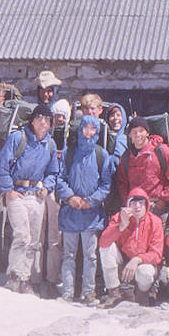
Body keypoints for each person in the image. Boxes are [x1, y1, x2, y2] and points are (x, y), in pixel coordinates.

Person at [0, 104, 59, 294]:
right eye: (39, 118)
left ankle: (24, 278)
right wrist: (8, 190)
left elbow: (53, 171)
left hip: (35, 194)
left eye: (47, 119)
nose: (43, 122)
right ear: (32, 119)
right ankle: (13, 276)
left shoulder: (50, 144)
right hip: (17, 192)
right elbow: (0, 166)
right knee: (22, 235)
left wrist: (47, 187)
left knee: (34, 241)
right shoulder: (18, 138)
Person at [55, 116, 114, 304]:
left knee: (90, 255)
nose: (88, 132)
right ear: (79, 130)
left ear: (96, 132)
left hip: (91, 213)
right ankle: (67, 291)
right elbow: (60, 178)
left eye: (92, 129)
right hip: (71, 212)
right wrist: (70, 197)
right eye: (85, 128)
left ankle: (89, 292)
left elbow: (105, 184)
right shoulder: (68, 152)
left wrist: (92, 201)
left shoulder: (101, 155)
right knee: (69, 254)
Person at [98, 188, 164, 308]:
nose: (137, 207)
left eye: (141, 203)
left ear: (147, 205)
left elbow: (157, 254)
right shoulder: (119, 217)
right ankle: (114, 292)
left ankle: (142, 294)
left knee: (146, 272)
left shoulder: (155, 222)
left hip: (142, 264)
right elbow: (103, 242)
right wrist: (121, 226)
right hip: (123, 261)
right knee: (106, 248)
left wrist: (137, 259)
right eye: (133, 203)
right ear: (127, 205)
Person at [115, 117, 169, 219]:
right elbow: (122, 183)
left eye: (141, 131)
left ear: (147, 132)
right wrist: (128, 202)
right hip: (136, 207)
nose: (138, 135)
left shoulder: (162, 151)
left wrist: (163, 199)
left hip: (158, 206)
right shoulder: (126, 157)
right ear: (129, 135)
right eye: (134, 132)